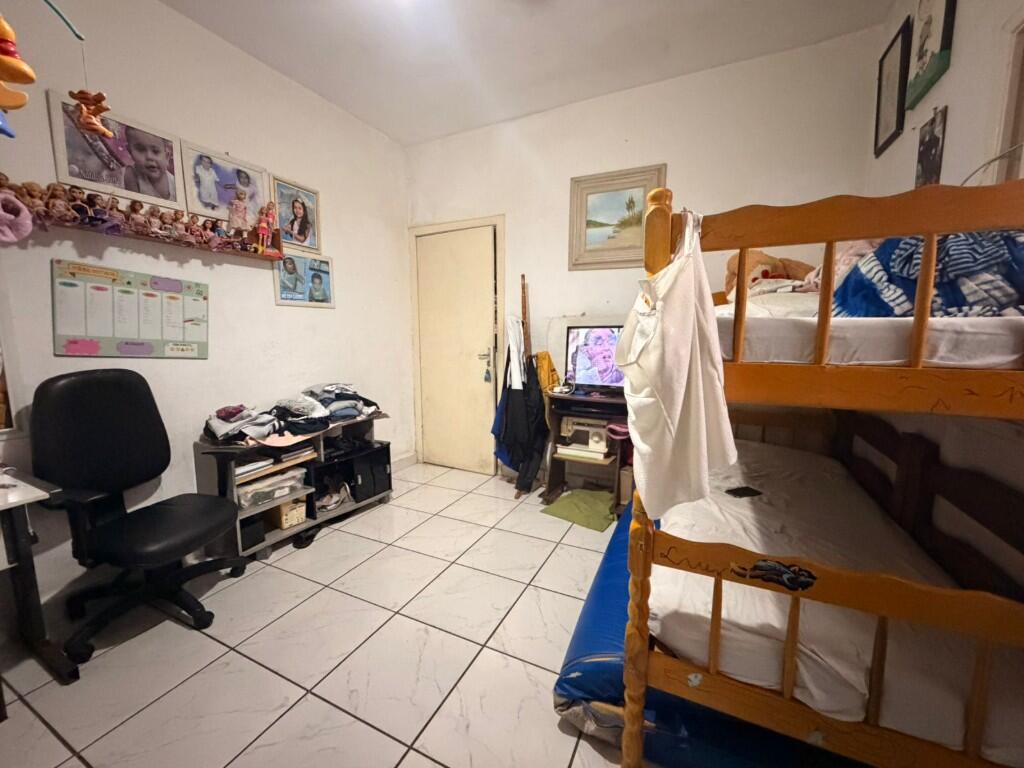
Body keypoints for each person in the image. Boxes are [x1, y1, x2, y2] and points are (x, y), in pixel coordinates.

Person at [122, 126, 175, 200]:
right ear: (130, 151)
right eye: (141, 150)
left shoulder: (174, 183)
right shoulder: (131, 176)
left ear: (167, 156)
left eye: (155, 151)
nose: (149, 157)